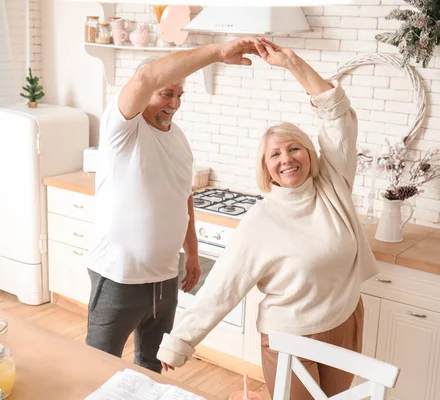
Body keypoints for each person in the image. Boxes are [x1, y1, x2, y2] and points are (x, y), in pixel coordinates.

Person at [156, 38, 380, 398]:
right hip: (290, 338)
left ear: (310, 153)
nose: (286, 158)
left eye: (294, 148)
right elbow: (221, 289)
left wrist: (294, 64)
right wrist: (179, 343)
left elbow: (338, 117)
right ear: (266, 169)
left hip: (345, 320)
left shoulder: (333, 186)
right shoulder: (261, 221)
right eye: (274, 154)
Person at [86, 37, 261, 373]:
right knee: (98, 367)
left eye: (180, 95)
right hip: (119, 276)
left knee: (152, 367)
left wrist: (192, 252)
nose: (175, 103)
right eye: (167, 93)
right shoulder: (123, 130)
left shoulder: (178, 137)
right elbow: (144, 78)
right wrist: (215, 53)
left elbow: (184, 196)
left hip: (165, 278)